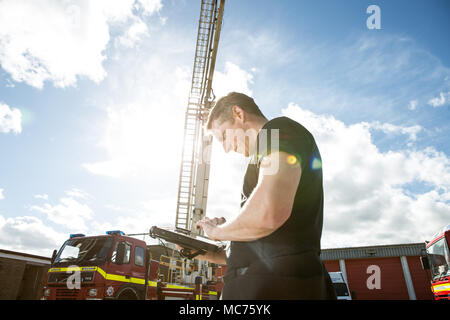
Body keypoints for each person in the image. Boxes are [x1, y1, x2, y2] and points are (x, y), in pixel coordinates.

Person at [194, 92, 336, 300]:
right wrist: (202, 249)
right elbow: (266, 241)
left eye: (224, 136)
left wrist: (217, 231)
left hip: (274, 288)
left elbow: (268, 213)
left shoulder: (276, 131)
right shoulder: (265, 151)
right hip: (272, 285)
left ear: (238, 113)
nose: (225, 148)